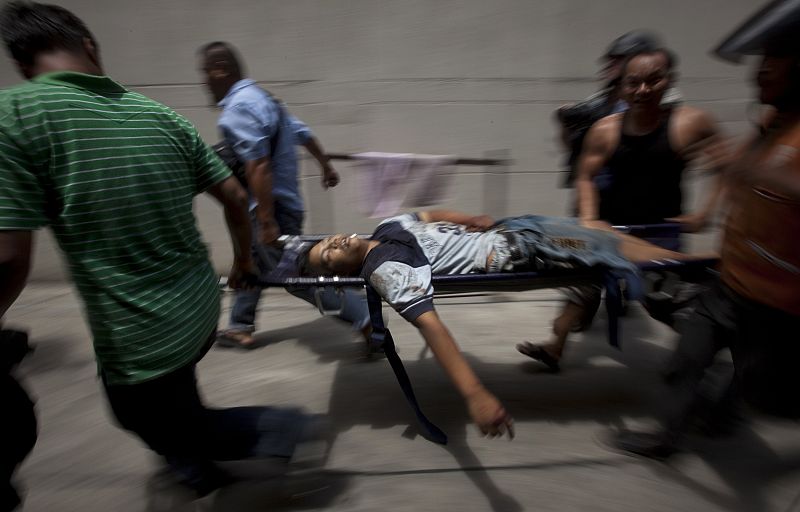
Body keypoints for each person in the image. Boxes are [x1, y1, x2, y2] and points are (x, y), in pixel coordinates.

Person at [0, 1, 326, 497]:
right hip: (197, 308)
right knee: (177, 396)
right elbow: (235, 196)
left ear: (23, 65)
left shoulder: (16, 116)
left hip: (139, 334)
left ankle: (281, 428)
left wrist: (259, 236)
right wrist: (241, 261)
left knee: (144, 414)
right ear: (89, 47)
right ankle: (196, 472)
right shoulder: (162, 116)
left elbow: (7, 261)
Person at [304, 210, 707, 438]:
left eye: (327, 242)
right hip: (522, 250)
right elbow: (433, 328)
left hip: (513, 229)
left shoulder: (386, 228)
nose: (331, 246)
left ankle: (682, 267)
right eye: (327, 258)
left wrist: (469, 218)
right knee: (606, 242)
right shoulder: (386, 270)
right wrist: (476, 393)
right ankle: (693, 267)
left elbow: (426, 213)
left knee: (600, 229)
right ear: (339, 274)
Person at [613, 0, 800, 460]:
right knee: (686, 359)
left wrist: (747, 171)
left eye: (773, 64)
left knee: (769, 394)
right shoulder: (771, 126)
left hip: (779, 301)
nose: (759, 73)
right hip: (733, 282)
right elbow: (737, 177)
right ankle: (666, 437)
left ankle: (720, 414)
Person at [519, 47, 727, 371]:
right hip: (610, 232)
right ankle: (555, 346)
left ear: (669, 81)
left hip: (657, 235)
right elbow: (585, 176)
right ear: (623, 87)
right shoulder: (605, 130)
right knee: (579, 287)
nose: (642, 90)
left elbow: (725, 165)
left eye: (653, 81)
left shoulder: (690, 123)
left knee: (669, 301)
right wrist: (589, 218)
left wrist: (705, 214)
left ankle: (710, 365)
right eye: (634, 83)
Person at [198, 41, 370, 349]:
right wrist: (326, 166)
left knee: (295, 275)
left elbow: (258, 165)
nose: (203, 82)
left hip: (269, 209)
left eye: (205, 73)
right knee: (252, 260)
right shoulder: (268, 101)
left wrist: (265, 221)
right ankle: (240, 325)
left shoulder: (237, 109)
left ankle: (368, 321)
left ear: (221, 69)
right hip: (284, 205)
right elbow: (304, 134)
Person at [556, 30, 681, 189]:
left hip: (641, 190)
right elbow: (575, 146)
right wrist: (566, 125)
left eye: (617, 60)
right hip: (597, 190)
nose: (610, 66)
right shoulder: (601, 100)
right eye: (611, 60)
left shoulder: (662, 97)